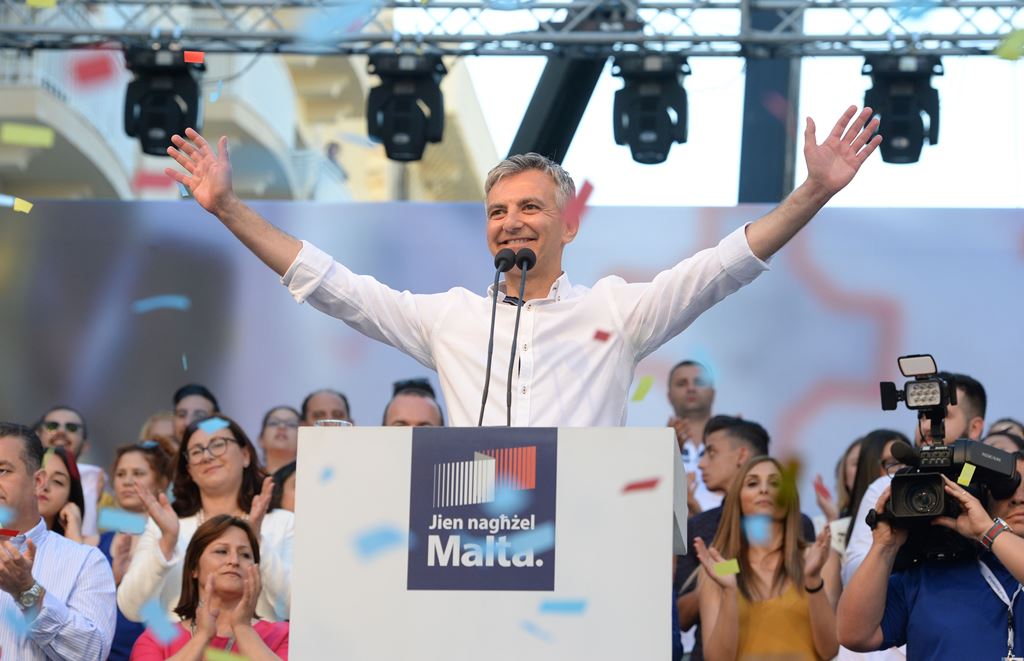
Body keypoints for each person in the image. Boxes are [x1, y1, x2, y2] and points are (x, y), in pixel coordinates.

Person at [164, 107, 881, 426]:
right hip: (470, 545)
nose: (511, 221)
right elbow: (333, 285)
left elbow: (725, 264)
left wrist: (813, 190)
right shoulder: (450, 318)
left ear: (567, 223)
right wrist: (229, 209)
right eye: (498, 211)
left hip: (589, 551)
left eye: (531, 208)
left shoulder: (614, 310)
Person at [837, 454, 1024, 657]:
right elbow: (854, 634)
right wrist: (884, 545)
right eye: (1006, 486)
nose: (1019, 497)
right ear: (983, 493)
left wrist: (988, 530)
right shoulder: (927, 576)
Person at [118, 415, 293, 623]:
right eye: (196, 451)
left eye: (218, 445)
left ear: (245, 454)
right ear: (189, 469)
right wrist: (167, 543)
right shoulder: (168, 526)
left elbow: (296, 608)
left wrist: (257, 543)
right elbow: (132, 608)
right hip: (182, 651)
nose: (207, 456)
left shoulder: (282, 523)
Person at [675, 415, 817, 660]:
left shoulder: (796, 524)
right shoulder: (698, 527)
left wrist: (732, 567)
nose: (700, 465)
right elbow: (680, 617)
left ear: (741, 456)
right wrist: (714, 582)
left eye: (711, 452)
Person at [844, 372, 987, 584]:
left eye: (942, 416)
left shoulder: (987, 485)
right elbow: (851, 577)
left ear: (974, 428)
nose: (928, 426)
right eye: (922, 415)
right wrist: (885, 547)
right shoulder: (889, 487)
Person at [692, 456, 840, 660]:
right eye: (752, 483)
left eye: (774, 483)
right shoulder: (724, 567)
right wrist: (729, 591)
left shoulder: (817, 558)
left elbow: (829, 650)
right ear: (738, 499)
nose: (764, 490)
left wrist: (812, 579)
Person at [0, 421, 116, 660]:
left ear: (38, 481)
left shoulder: (85, 561)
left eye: (3, 470)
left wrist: (27, 592)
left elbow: (92, 654)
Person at [129, 515, 289, 659]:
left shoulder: (283, 635)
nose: (234, 560)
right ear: (194, 568)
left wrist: (243, 627)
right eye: (221, 551)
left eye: (245, 555)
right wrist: (203, 636)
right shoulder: (158, 636)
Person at [101, 440, 176, 661]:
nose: (128, 481)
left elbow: (169, 622)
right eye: (121, 474)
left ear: (162, 482)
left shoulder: (172, 541)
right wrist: (112, 580)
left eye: (138, 473)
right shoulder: (97, 541)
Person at [34, 405, 104, 539]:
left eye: (72, 428)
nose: (60, 431)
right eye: (52, 426)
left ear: (85, 446)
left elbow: (137, 524)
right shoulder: (10, 479)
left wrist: (98, 509)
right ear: (36, 436)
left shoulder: (99, 487)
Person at [839, 430, 911, 558]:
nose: (902, 470)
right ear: (869, 468)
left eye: (910, 462)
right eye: (892, 464)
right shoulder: (838, 532)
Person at [666, 360, 720, 514]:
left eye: (699, 382)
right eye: (682, 384)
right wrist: (665, 451)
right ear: (669, 396)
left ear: (713, 393)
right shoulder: (653, 450)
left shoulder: (734, 442)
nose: (691, 388)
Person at [36, 446, 95, 545]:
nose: (45, 486)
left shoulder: (88, 550)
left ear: (70, 496)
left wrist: (74, 536)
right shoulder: (5, 535)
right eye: (38, 478)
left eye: (57, 481)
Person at [257, 406, 301, 474]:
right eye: (273, 423)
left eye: (291, 424)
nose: (282, 426)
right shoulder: (249, 479)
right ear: (261, 439)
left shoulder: (309, 478)